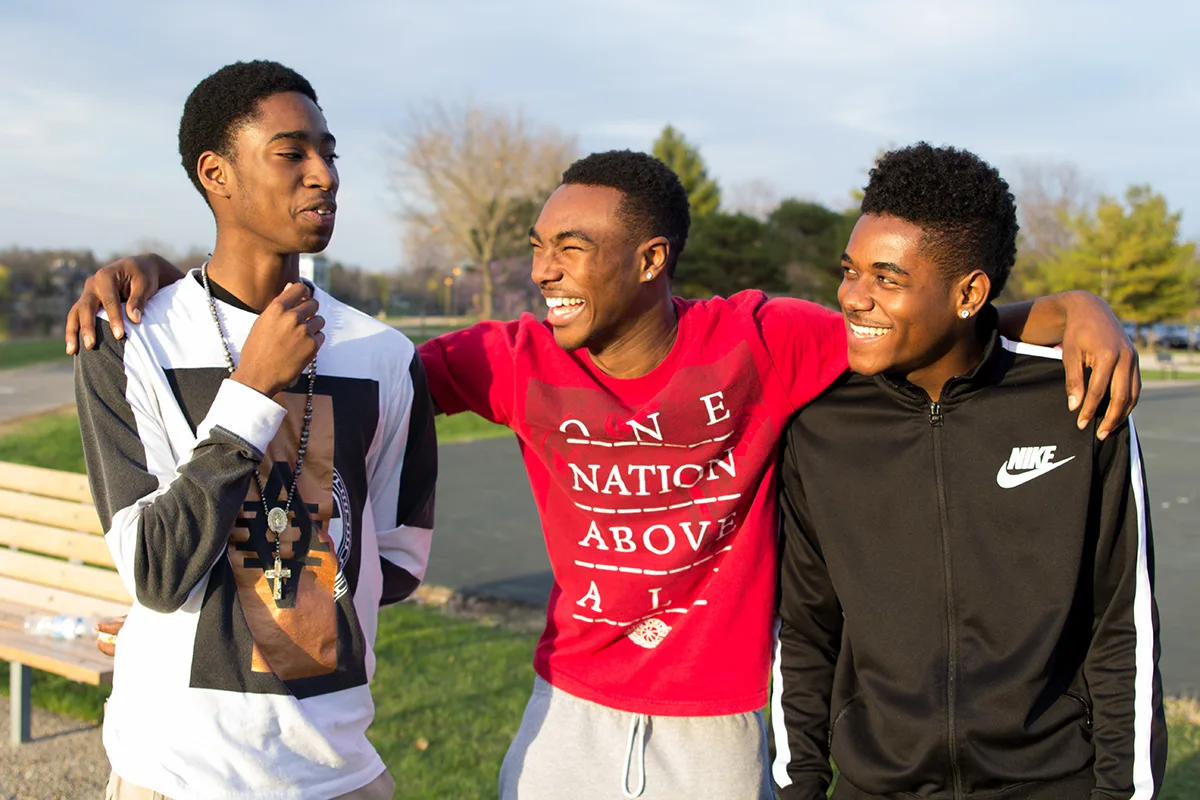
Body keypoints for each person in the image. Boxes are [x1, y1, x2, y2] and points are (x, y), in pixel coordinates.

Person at [67, 150, 1139, 800]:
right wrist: (173, 278)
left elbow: (911, 319)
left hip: (715, 717)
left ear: (651, 259)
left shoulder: (763, 339)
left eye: (572, 247)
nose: (543, 268)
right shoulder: (512, 359)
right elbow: (360, 360)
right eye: (539, 244)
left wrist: (1071, 311)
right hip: (567, 699)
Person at [74, 60, 436, 799]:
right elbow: (156, 571)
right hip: (175, 772)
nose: (324, 175)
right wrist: (250, 392)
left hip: (338, 770)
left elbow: (393, 560)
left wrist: (280, 592)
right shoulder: (128, 340)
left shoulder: (384, 355)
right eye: (292, 152)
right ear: (217, 173)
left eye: (329, 153)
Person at [772, 143, 1166, 799]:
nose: (853, 298)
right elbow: (807, 627)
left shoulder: (1074, 399)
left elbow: (1122, 624)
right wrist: (801, 786)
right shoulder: (820, 420)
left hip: (1051, 783)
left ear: (970, 293)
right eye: (850, 271)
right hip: (877, 786)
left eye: (888, 279)